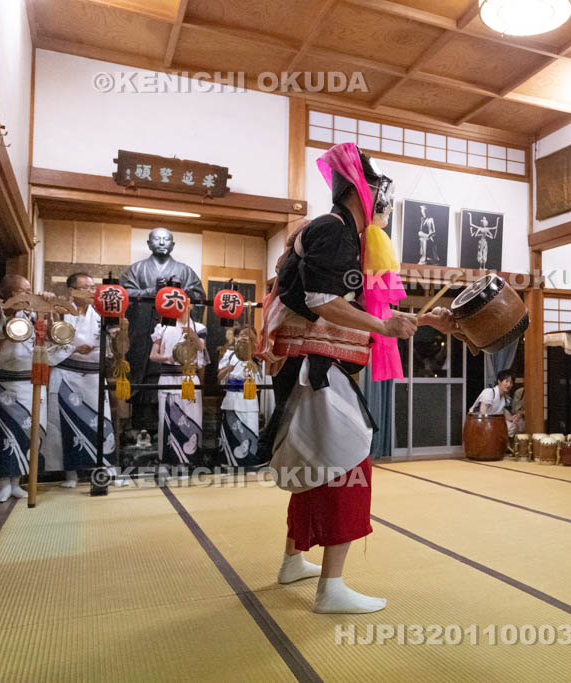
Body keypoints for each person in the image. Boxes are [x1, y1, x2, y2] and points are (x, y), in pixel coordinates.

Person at [265, 142, 416, 614]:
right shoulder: (335, 231)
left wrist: (423, 323)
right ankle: (332, 587)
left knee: (315, 466)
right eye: (378, 191)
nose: (383, 201)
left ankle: (294, 561)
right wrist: (384, 327)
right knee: (349, 463)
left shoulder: (330, 230)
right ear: (361, 192)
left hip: (310, 368)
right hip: (316, 369)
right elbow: (320, 301)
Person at [120, 228, 205, 431]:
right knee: (144, 377)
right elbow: (124, 295)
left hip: (174, 335)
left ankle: (171, 429)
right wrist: (152, 292)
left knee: (172, 377)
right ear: (149, 244)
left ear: (172, 245)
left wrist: (176, 293)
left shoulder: (185, 271)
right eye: (156, 239)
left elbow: (198, 296)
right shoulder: (136, 270)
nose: (161, 242)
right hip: (143, 333)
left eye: (166, 239)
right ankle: (142, 429)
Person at [43, 273, 118, 488]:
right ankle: (70, 474)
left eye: (93, 287)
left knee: (100, 422)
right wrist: (74, 348)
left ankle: (102, 466)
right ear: (72, 290)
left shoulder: (102, 314)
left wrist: (116, 337)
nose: (91, 292)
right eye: (85, 287)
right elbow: (49, 345)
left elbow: (111, 351)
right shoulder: (59, 312)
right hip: (67, 374)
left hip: (94, 376)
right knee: (65, 422)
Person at [0, 275, 47, 502]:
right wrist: (4, 319)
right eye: (22, 291)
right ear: (8, 293)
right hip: (2, 383)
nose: (27, 295)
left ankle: (18, 481)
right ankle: (2, 484)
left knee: (28, 433)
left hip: (29, 382)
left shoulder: (33, 317)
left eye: (29, 290)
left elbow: (48, 344)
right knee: (4, 434)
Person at [149, 308, 208, 477]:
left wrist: (193, 335)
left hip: (188, 378)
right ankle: (165, 461)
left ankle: (185, 462)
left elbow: (201, 348)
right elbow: (153, 355)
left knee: (189, 420)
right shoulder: (163, 326)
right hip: (168, 376)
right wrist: (167, 358)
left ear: (190, 306)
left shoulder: (199, 327)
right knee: (165, 420)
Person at [218, 327, 263, 468]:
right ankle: (230, 463)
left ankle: (249, 463)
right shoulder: (230, 355)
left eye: (249, 337)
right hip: (232, 397)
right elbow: (219, 376)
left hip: (249, 398)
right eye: (242, 335)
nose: (244, 338)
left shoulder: (258, 356)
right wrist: (228, 369)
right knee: (232, 430)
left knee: (251, 429)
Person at [469, 369, 523, 438]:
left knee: (516, 425)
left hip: (492, 423)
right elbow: (482, 413)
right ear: (499, 381)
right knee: (509, 427)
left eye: (511, 382)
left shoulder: (504, 398)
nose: (509, 384)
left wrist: (512, 418)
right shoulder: (489, 392)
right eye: (506, 381)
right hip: (480, 422)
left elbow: (503, 410)